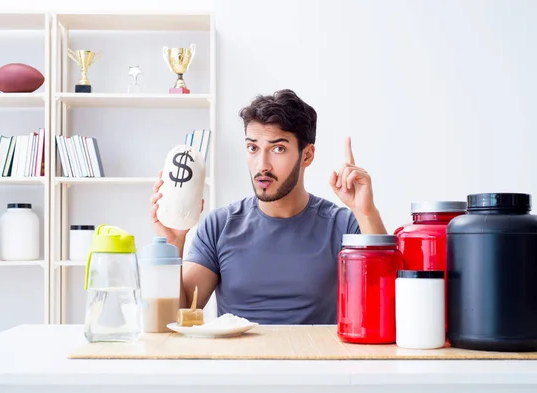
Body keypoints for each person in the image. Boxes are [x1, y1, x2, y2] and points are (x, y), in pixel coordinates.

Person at [150, 89, 387, 325]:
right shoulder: (219, 226)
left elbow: (386, 300)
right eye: (253, 148)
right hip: (238, 361)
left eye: (278, 149)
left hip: (317, 360)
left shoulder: (342, 225)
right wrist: (173, 244)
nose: (262, 165)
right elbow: (177, 317)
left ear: (307, 156)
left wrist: (366, 212)